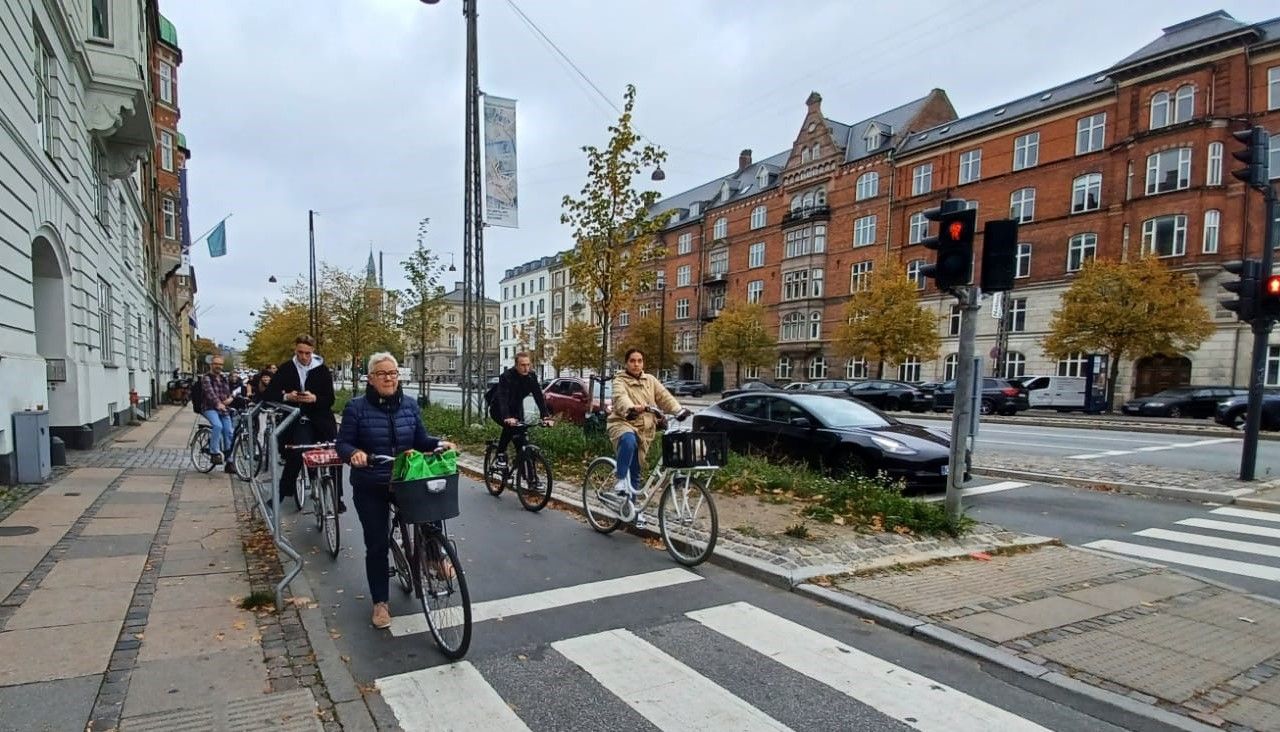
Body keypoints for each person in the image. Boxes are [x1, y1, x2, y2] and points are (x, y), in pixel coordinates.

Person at [336, 352, 456, 630]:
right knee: (377, 543)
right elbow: (342, 444)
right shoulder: (356, 408)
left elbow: (421, 439)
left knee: (431, 507)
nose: (389, 378)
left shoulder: (410, 406)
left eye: (392, 373)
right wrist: (354, 453)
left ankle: (435, 557)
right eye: (382, 373)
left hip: (405, 478)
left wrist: (439, 443)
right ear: (371, 378)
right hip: (372, 482)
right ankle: (380, 602)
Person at [261, 335, 337, 502]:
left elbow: (330, 399)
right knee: (296, 452)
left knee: (334, 453)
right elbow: (269, 394)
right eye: (300, 352)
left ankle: (337, 497)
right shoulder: (287, 368)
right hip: (299, 420)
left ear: (312, 352)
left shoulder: (322, 369)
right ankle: (281, 494)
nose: (303, 357)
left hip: (321, 418)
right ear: (295, 350)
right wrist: (288, 397)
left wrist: (315, 399)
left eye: (307, 353)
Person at [607, 348, 689, 497]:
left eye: (639, 361)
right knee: (628, 440)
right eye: (632, 361)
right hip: (623, 422)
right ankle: (620, 479)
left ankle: (631, 511)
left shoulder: (650, 380)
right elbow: (620, 397)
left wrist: (678, 410)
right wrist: (631, 408)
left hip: (644, 430)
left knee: (636, 470)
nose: (636, 364)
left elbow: (664, 397)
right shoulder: (620, 380)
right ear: (626, 363)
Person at [490, 352, 553, 476]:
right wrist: (507, 417)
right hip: (499, 409)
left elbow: (538, 397)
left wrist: (545, 416)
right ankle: (500, 455)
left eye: (528, 365)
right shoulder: (506, 376)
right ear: (516, 365)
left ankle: (530, 477)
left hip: (517, 409)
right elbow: (503, 399)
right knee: (510, 427)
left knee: (523, 442)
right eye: (522, 365)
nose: (526, 368)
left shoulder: (531, 376)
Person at [200, 356, 236, 472]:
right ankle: (214, 452)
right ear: (211, 364)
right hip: (209, 408)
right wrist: (218, 403)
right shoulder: (206, 378)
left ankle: (229, 461)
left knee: (229, 432)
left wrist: (230, 399)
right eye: (216, 364)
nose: (218, 366)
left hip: (223, 408)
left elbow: (227, 393)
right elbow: (209, 393)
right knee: (217, 425)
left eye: (220, 364)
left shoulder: (224, 378)